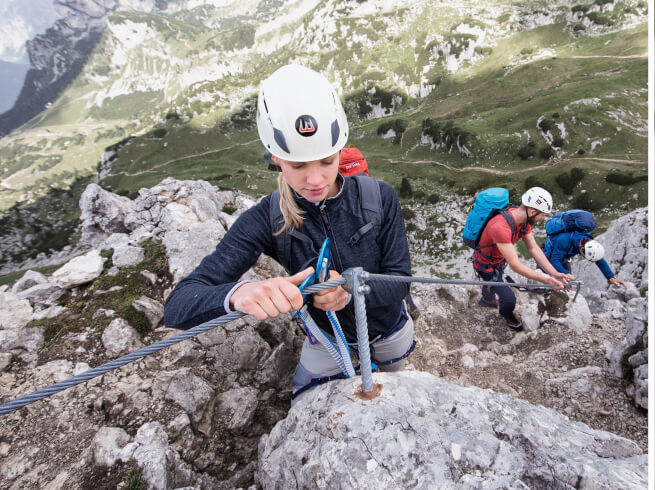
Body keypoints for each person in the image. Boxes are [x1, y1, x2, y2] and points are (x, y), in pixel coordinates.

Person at [162, 64, 413, 398]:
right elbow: (178, 306)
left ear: (340, 150)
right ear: (275, 159)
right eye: (297, 165)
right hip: (327, 339)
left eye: (326, 161)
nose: (315, 180)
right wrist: (239, 294)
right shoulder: (265, 219)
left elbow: (400, 280)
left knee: (392, 386)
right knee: (304, 399)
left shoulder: (378, 197)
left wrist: (352, 290)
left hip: (388, 332)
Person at [472, 187, 570, 330]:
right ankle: (506, 313)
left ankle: (487, 299)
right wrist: (545, 280)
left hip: (497, 259)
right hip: (485, 264)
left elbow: (533, 248)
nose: (542, 218)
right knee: (509, 299)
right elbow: (515, 265)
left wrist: (553, 273)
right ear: (532, 212)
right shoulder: (500, 227)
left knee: (494, 281)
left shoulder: (523, 222)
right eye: (542, 215)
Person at [541, 212, 630, 288]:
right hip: (548, 256)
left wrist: (611, 277)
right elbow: (554, 261)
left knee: (568, 283)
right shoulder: (564, 241)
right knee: (546, 282)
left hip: (564, 256)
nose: (582, 257)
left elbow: (599, 261)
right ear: (582, 249)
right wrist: (565, 273)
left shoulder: (587, 241)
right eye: (584, 255)